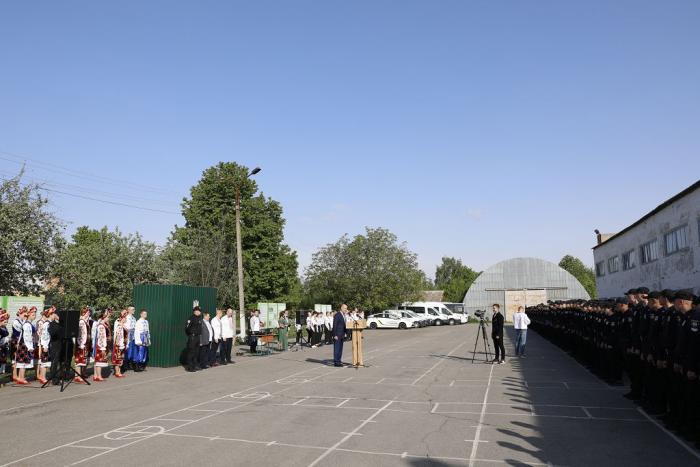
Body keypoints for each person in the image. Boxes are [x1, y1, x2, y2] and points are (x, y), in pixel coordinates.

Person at [15, 307, 36, 385]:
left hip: (23, 344)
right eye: (33, 315)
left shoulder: (27, 323)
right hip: (25, 345)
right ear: (28, 315)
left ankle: (21, 378)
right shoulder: (27, 324)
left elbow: (22, 335)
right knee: (23, 362)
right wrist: (30, 347)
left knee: (22, 362)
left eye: (35, 315)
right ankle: (21, 378)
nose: (34, 316)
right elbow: (27, 337)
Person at [36, 307, 53, 384]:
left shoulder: (47, 323)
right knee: (44, 361)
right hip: (44, 344)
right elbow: (44, 335)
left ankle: (43, 376)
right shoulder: (45, 323)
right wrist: (45, 345)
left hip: (46, 343)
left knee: (45, 361)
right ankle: (42, 377)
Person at [74, 307, 91, 383]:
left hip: (84, 343)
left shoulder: (84, 321)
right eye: (87, 312)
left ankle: (79, 375)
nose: (89, 313)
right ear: (84, 313)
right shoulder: (81, 321)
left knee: (81, 360)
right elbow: (80, 334)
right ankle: (77, 376)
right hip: (81, 343)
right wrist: (81, 343)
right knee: (79, 360)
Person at [47, 309, 64, 385]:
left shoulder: (62, 324)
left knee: (61, 361)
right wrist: (58, 327)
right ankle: (54, 379)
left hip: (61, 344)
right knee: (54, 362)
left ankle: (60, 375)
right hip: (54, 344)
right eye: (58, 315)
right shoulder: (52, 324)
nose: (59, 317)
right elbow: (52, 333)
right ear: (55, 315)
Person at [10, 307, 27, 383]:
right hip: (15, 341)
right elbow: (18, 331)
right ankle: (14, 375)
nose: (25, 315)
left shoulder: (22, 321)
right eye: (24, 314)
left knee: (17, 358)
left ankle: (17, 375)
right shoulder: (16, 322)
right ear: (20, 314)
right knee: (14, 358)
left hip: (19, 341)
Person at [93, 310, 110, 382]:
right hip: (101, 345)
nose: (108, 318)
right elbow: (101, 337)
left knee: (97, 361)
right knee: (99, 361)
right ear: (104, 318)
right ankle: (99, 376)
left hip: (99, 345)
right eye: (107, 317)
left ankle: (96, 375)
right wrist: (103, 348)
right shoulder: (101, 326)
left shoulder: (101, 324)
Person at [185, 306, 203, 372]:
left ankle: (195, 366)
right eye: (198, 311)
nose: (199, 312)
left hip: (197, 337)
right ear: (195, 311)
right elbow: (187, 328)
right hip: (192, 337)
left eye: (200, 311)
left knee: (196, 352)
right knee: (191, 352)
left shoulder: (199, 318)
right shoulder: (191, 318)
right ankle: (190, 367)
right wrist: (191, 334)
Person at [112, 310, 127, 378]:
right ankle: (117, 372)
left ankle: (119, 371)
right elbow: (118, 336)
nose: (125, 320)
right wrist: (119, 344)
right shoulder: (118, 325)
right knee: (117, 358)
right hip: (118, 344)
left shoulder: (122, 326)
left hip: (121, 344)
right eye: (124, 319)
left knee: (120, 358)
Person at [123, 305, 137, 371]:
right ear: (128, 310)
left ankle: (130, 363)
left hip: (133, 335)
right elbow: (122, 325)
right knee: (127, 349)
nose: (134, 310)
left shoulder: (134, 318)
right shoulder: (126, 317)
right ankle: (125, 364)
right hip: (128, 335)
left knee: (132, 349)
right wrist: (127, 332)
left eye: (134, 309)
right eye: (132, 309)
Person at [0, 309, 9, 375]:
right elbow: (5, 334)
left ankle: (3, 370)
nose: (6, 323)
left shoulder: (4, 327)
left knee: (4, 357)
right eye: (5, 322)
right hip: (1, 345)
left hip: (4, 345)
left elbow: (7, 333)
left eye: (6, 322)